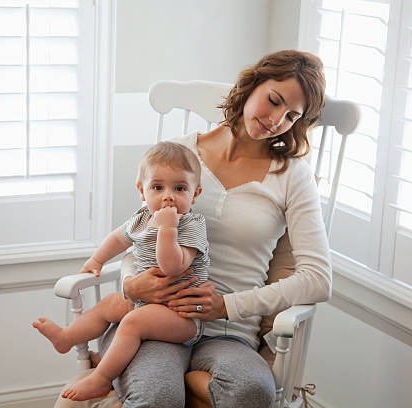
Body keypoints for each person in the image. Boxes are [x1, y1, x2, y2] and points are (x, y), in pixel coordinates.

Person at [101, 49, 331, 408]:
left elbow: (319, 278)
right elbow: (136, 234)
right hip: (157, 321)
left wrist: (227, 306)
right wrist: (132, 283)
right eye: (273, 101)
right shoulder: (177, 153)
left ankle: (190, 383)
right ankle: (178, 385)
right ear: (252, 84)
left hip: (229, 334)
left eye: (291, 116)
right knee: (156, 397)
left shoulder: (293, 176)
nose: (276, 120)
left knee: (252, 392)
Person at [32, 141, 209, 401]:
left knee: (133, 323)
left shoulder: (191, 225)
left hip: (182, 316)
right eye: (157, 187)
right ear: (142, 190)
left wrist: (167, 229)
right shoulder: (140, 218)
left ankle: (101, 379)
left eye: (179, 188)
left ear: (194, 194)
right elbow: (118, 238)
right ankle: (66, 338)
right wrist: (96, 260)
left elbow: (174, 266)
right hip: (143, 300)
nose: (168, 196)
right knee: (109, 304)